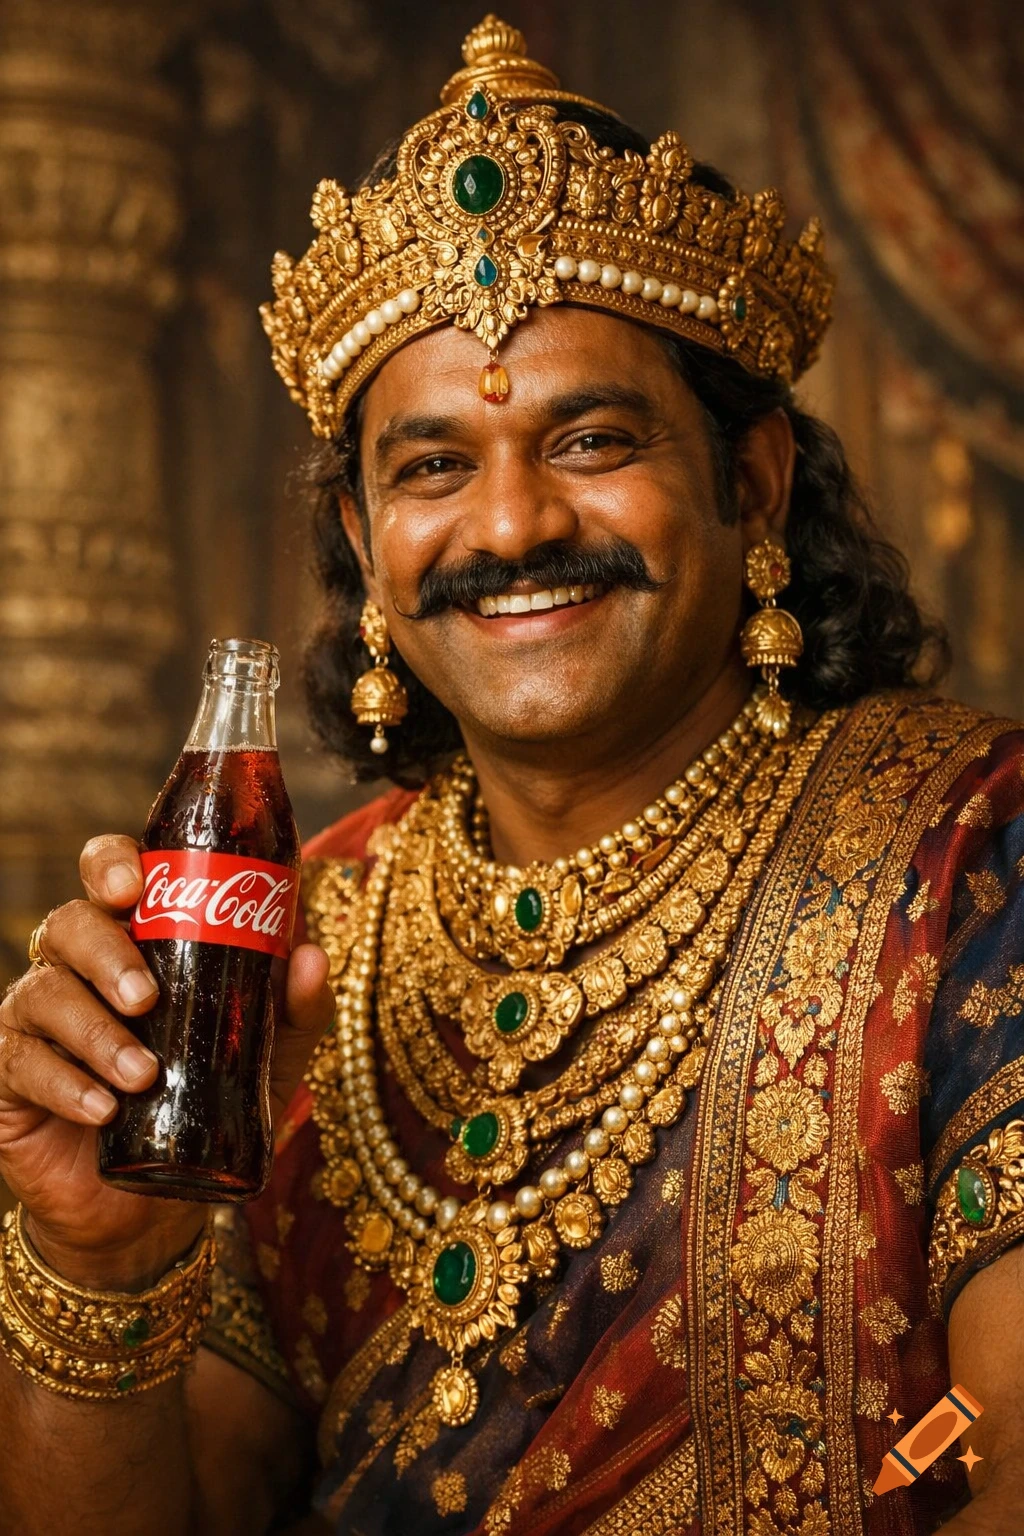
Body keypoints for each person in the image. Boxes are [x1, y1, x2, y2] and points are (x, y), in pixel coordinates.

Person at [1, 15, 1023, 1536]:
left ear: (752, 484)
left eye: (594, 437)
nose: (509, 526)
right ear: (362, 542)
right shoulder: (302, 948)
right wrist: (99, 1264)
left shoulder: (973, 851)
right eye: (428, 468)